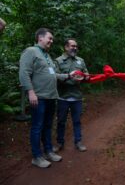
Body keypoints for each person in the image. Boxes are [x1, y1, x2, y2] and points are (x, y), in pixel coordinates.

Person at [19, 28, 73, 168]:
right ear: (40, 38)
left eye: (52, 39)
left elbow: (53, 74)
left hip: (51, 96)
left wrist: (69, 75)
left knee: (48, 126)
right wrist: (30, 92)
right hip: (39, 97)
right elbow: (24, 73)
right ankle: (37, 157)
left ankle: (48, 151)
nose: (51, 41)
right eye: (49, 38)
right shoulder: (31, 51)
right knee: (37, 127)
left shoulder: (47, 55)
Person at [53, 38, 89, 152]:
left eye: (76, 46)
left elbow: (86, 72)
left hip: (77, 96)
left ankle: (78, 142)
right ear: (66, 47)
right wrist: (69, 76)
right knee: (61, 121)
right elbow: (55, 76)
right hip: (63, 96)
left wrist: (86, 76)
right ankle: (59, 143)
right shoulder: (58, 61)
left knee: (77, 121)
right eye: (72, 46)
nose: (75, 48)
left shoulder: (80, 60)